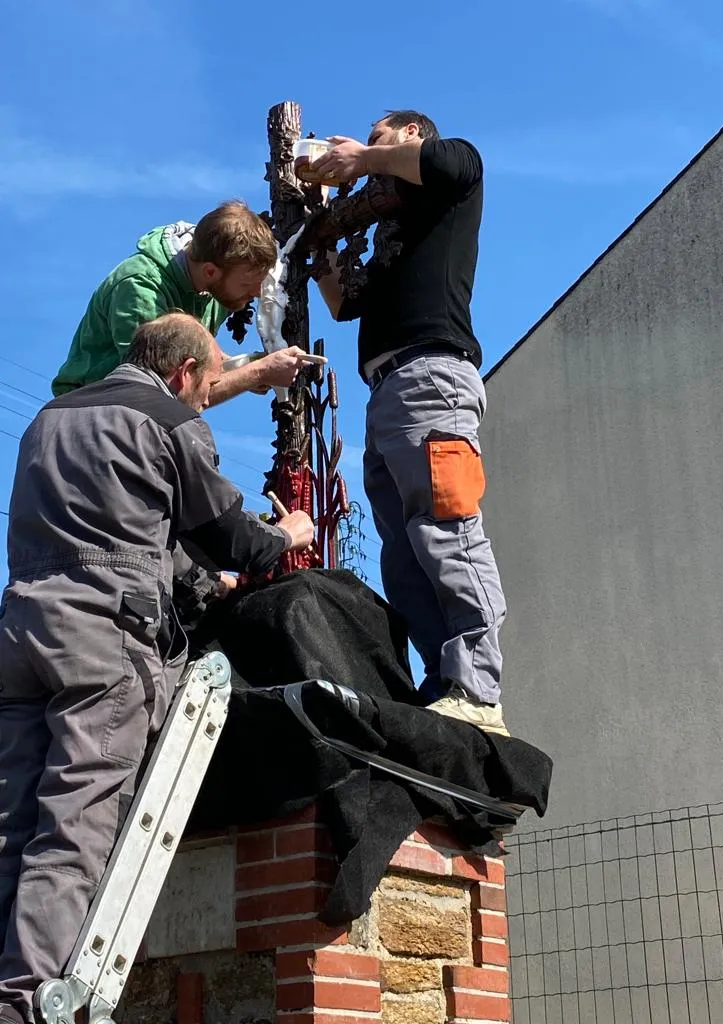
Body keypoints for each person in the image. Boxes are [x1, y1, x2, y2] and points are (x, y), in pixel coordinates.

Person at [0, 313, 315, 1024]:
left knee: (9, 822)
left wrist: (204, 586)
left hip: (21, 635)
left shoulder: (48, 420)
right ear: (181, 374)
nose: (204, 401)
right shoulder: (168, 421)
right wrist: (285, 534)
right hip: (102, 644)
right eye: (205, 388)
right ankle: (23, 1008)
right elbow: (227, 535)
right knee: (73, 833)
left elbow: (135, 532)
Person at [307, 110, 509, 737]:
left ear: (414, 136)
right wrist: (318, 239)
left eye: (379, 139)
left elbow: (453, 162)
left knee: (446, 526)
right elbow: (345, 305)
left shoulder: (452, 169)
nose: (368, 149)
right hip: (389, 390)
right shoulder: (394, 227)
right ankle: (443, 683)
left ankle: (478, 684)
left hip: (433, 379)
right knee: (403, 551)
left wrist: (359, 162)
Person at [51, 199, 309, 404]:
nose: (257, 293)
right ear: (210, 271)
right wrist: (259, 372)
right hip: (88, 413)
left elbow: (196, 363)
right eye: (247, 284)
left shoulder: (213, 283)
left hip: (136, 417)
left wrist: (241, 367)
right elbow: (168, 391)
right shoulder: (139, 289)